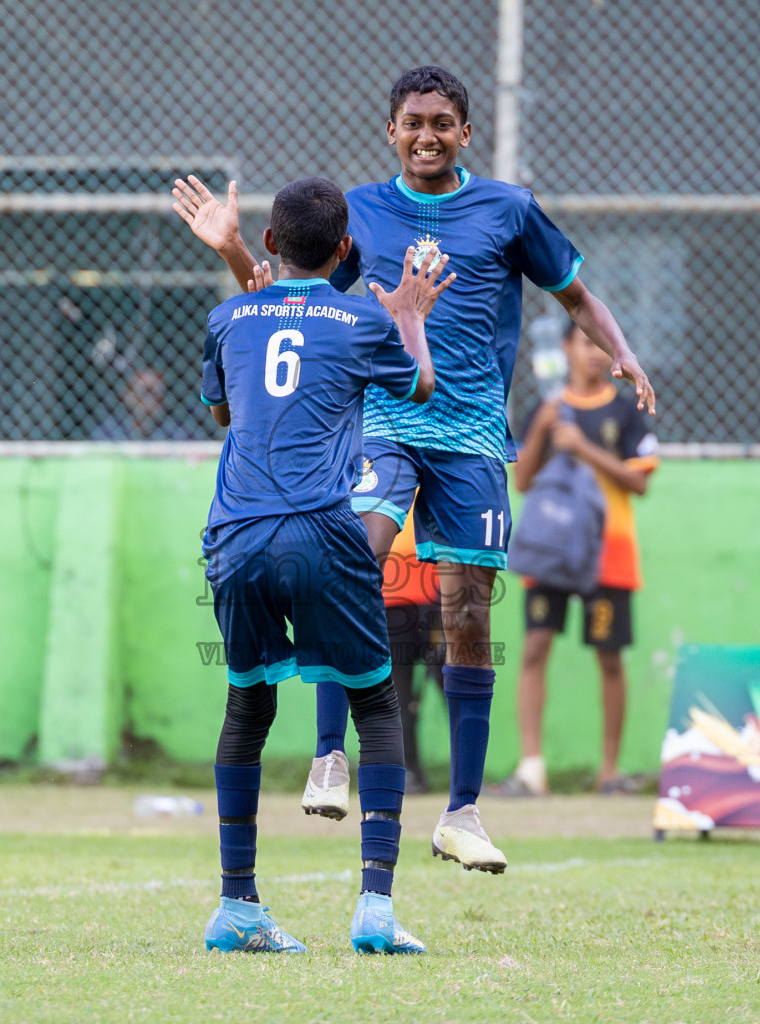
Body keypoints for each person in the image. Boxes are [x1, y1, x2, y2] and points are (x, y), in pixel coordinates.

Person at [173, 66, 655, 874]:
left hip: (470, 437)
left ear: (466, 133)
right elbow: (283, 305)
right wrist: (229, 251)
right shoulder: (356, 212)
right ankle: (331, 754)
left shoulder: (508, 209)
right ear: (389, 131)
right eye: (412, 121)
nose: (426, 134)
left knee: (468, 614)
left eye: (441, 122)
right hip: (385, 420)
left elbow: (577, 298)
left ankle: (463, 813)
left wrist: (626, 351)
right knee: (351, 560)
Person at [199, 177, 449, 954]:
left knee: (247, 709)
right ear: (345, 250)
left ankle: (237, 906)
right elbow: (420, 385)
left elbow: (225, 413)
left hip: (236, 535)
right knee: (375, 706)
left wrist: (240, 265)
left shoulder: (225, 317)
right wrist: (407, 316)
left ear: (271, 243)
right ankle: (375, 909)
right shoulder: (362, 319)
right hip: (319, 533)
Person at [495, 321, 659, 797]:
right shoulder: (544, 411)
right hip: (550, 550)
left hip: (608, 551)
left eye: (601, 345)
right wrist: (546, 428)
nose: (592, 353)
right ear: (564, 347)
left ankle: (608, 771)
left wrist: (584, 449)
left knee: (609, 658)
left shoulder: (625, 412)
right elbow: (522, 482)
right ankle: (532, 768)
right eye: (585, 342)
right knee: (535, 649)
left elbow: (640, 482)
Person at [379, 512, 444, 794]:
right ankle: (409, 772)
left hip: (435, 601)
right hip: (390, 601)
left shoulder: (432, 478)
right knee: (399, 695)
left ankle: (468, 774)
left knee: (452, 684)